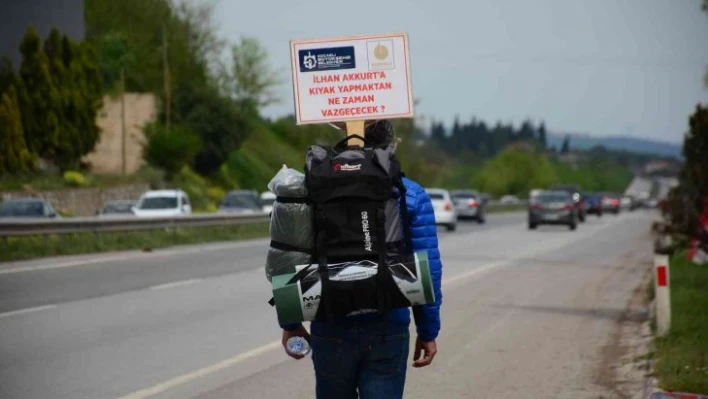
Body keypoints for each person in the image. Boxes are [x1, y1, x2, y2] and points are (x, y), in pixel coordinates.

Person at [279, 119, 443, 399]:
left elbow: (288, 255)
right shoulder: (409, 193)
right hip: (388, 321)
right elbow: (428, 266)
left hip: (329, 318)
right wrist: (428, 330)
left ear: (345, 135)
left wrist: (291, 325)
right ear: (391, 145)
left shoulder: (315, 187)